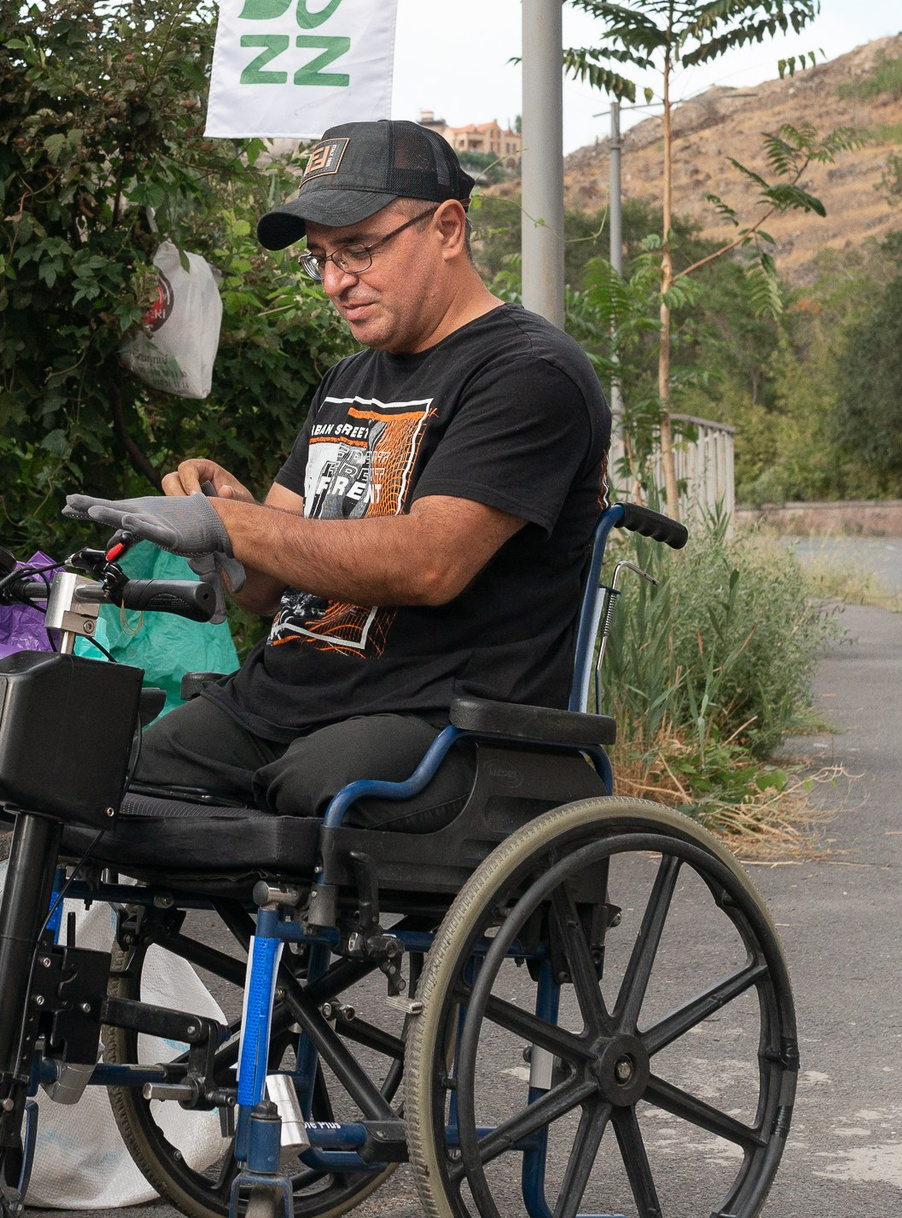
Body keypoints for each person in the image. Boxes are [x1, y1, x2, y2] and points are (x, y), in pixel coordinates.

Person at [64, 119, 612, 828]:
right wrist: (219, 531)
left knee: (305, 789)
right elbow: (267, 592)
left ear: (447, 229)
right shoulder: (347, 379)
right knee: (96, 776)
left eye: (358, 249)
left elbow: (430, 563)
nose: (334, 281)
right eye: (320, 258)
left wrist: (237, 524)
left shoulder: (529, 372)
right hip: (281, 702)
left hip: (439, 720)